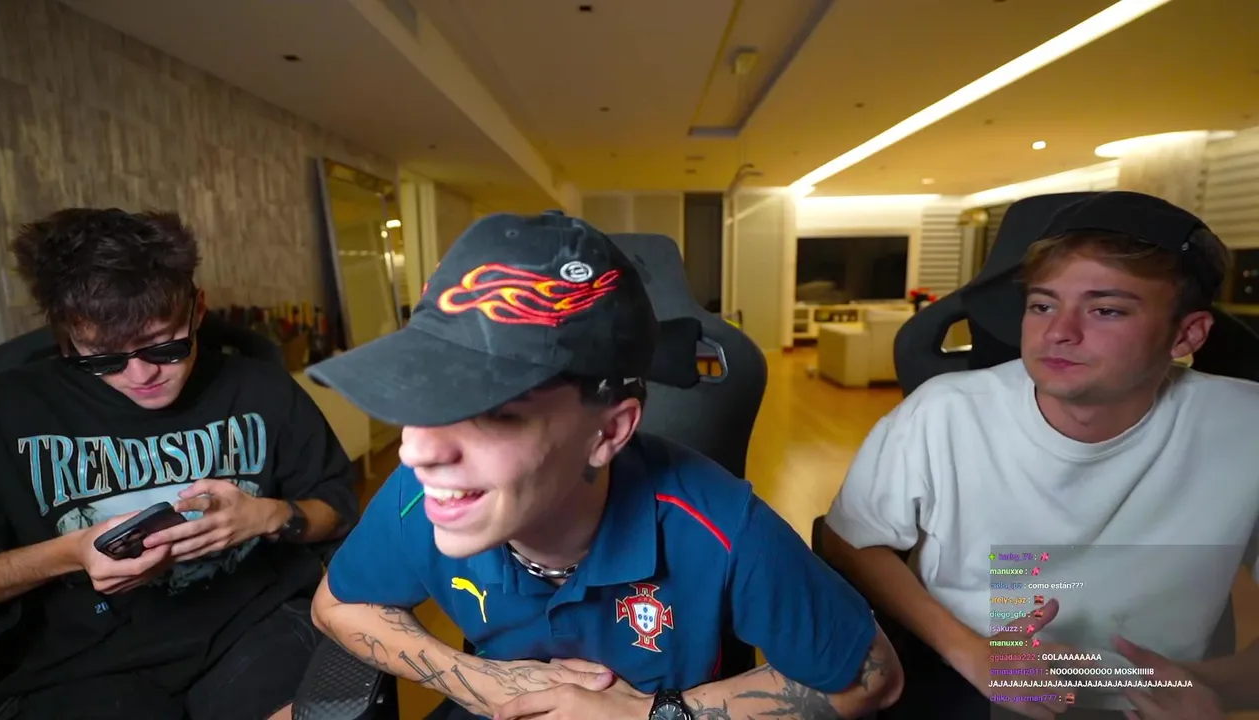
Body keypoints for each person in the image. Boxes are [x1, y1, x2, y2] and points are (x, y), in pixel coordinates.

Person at [307, 210, 904, 720]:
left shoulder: (718, 522)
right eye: (424, 400)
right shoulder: (425, 493)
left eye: (494, 415)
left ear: (609, 431)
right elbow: (336, 603)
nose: (416, 452)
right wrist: (481, 682)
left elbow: (875, 673)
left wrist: (649, 714)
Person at [818, 191, 1259, 720]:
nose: (1058, 333)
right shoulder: (945, 414)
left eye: (1106, 310)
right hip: (968, 676)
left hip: (1150, 704)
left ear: (1187, 334)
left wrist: (1210, 688)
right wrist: (972, 654)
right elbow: (848, 539)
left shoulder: (1245, 429)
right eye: (1043, 305)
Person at [0, 209, 360, 720]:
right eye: (104, 357)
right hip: (81, 663)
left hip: (249, 626)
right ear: (67, 334)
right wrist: (69, 554)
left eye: (165, 345)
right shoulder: (2, 411)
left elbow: (338, 510)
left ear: (197, 309)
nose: (141, 375)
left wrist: (268, 516)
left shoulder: (262, 390)